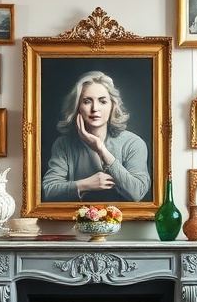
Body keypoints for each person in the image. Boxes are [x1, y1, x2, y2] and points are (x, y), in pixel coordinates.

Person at [42, 70, 151, 203]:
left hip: (124, 222)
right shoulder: (63, 144)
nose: (95, 108)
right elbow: (48, 191)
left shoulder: (133, 143)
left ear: (112, 106)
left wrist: (101, 150)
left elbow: (137, 193)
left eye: (102, 101)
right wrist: (85, 185)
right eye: (87, 101)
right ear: (77, 107)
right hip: (73, 221)